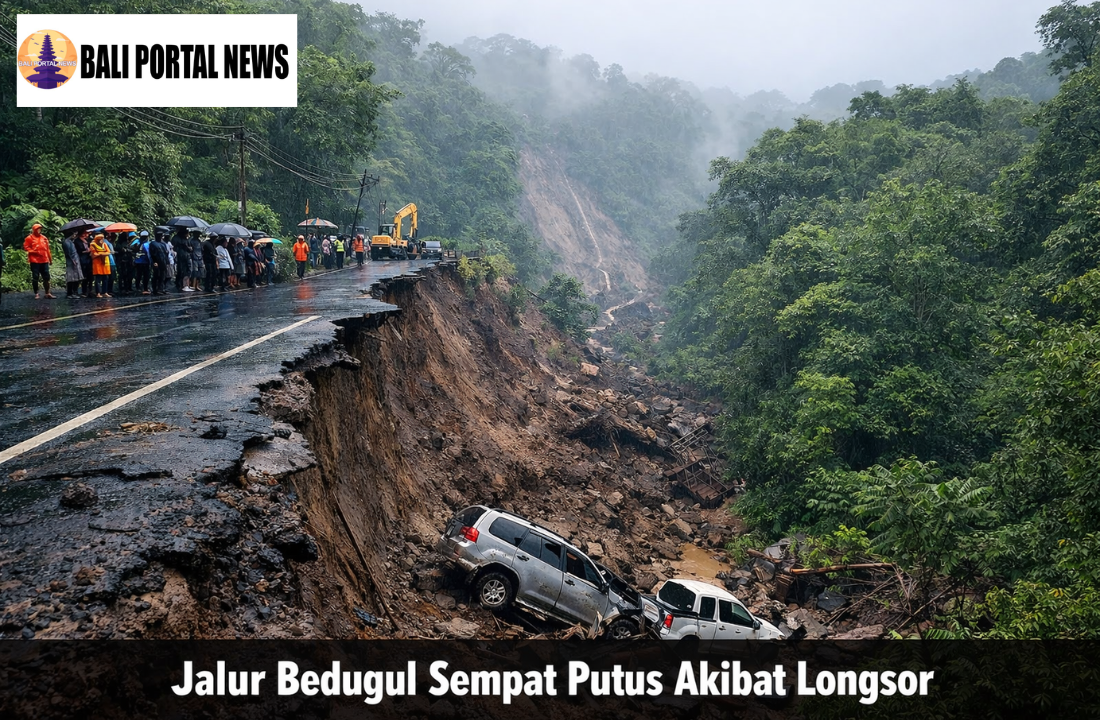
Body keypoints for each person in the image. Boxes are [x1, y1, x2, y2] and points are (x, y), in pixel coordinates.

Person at [23, 223, 55, 299]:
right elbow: (26, 247)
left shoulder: (44, 238)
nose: (39, 230)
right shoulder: (29, 238)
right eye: (37, 229)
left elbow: (47, 249)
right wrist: (33, 251)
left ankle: (47, 293)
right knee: (35, 277)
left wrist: (50, 259)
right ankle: (36, 293)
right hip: (35, 261)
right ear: (34, 230)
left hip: (44, 260)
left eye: (40, 229)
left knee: (47, 277)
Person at [62, 232, 84, 298]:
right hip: (72, 261)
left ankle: (74, 292)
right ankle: (70, 293)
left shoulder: (71, 242)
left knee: (76, 277)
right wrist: (72, 260)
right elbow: (68, 253)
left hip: (75, 259)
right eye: (73, 234)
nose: (74, 236)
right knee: (71, 277)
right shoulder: (66, 242)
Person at [89, 233, 112, 297]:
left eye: (102, 239)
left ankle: (105, 292)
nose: (101, 241)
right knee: (98, 279)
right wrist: (102, 253)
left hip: (105, 263)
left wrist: (100, 253)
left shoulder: (104, 244)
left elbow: (108, 252)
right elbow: (94, 254)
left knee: (105, 278)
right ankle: (98, 293)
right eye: (99, 239)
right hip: (97, 264)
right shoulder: (92, 245)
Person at [75, 230, 93, 298]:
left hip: (89, 259)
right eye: (85, 233)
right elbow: (78, 250)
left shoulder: (87, 240)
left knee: (90, 276)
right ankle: (84, 291)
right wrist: (86, 251)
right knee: (84, 276)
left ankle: (90, 290)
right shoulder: (77, 241)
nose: (86, 235)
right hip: (82, 259)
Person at [115, 231, 134, 295]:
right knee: (124, 275)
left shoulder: (124, 243)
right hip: (123, 261)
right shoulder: (121, 243)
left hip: (126, 261)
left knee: (126, 275)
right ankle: (125, 288)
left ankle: (126, 288)